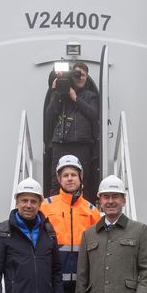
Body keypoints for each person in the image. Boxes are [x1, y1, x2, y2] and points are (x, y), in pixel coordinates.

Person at [40, 155, 101, 293]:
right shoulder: (45, 206)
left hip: (82, 280)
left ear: (80, 177)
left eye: (73, 174)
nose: (69, 178)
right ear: (59, 179)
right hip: (54, 278)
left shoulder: (92, 211)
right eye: (65, 175)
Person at [45, 61, 99, 201]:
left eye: (83, 75)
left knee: (83, 181)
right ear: (71, 76)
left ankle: (84, 212)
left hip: (82, 145)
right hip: (60, 144)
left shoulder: (90, 96)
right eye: (76, 74)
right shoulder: (60, 95)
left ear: (87, 77)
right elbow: (49, 115)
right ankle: (53, 212)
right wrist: (55, 92)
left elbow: (94, 115)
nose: (80, 77)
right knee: (56, 182)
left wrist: (75, 98)